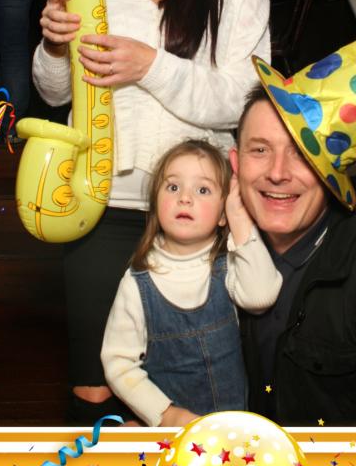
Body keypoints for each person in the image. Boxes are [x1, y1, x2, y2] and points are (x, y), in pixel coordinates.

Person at [31, 0, 271, 426]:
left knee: (196, 383)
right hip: (101, 200)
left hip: (201, 211)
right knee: (94, 387)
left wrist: (151, 66)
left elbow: (242, 99)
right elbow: (54, 92)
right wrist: (53, 46)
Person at [232, 67, 356, 428]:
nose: (277, 173)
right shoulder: (206, 241)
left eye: (302, 152)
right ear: (236, 164)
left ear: (333, 168)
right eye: (260, 150)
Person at [101, 140, 281, 426]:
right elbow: (119, 363)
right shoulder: (137, 283)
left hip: (235, 429)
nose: (185, 198)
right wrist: (165, 414)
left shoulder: (230, 265)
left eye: (203, 190)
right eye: (173, 187)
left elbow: (261, 296)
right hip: (171, 436)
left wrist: (239, 219)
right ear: (156, 202)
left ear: (222, 213)